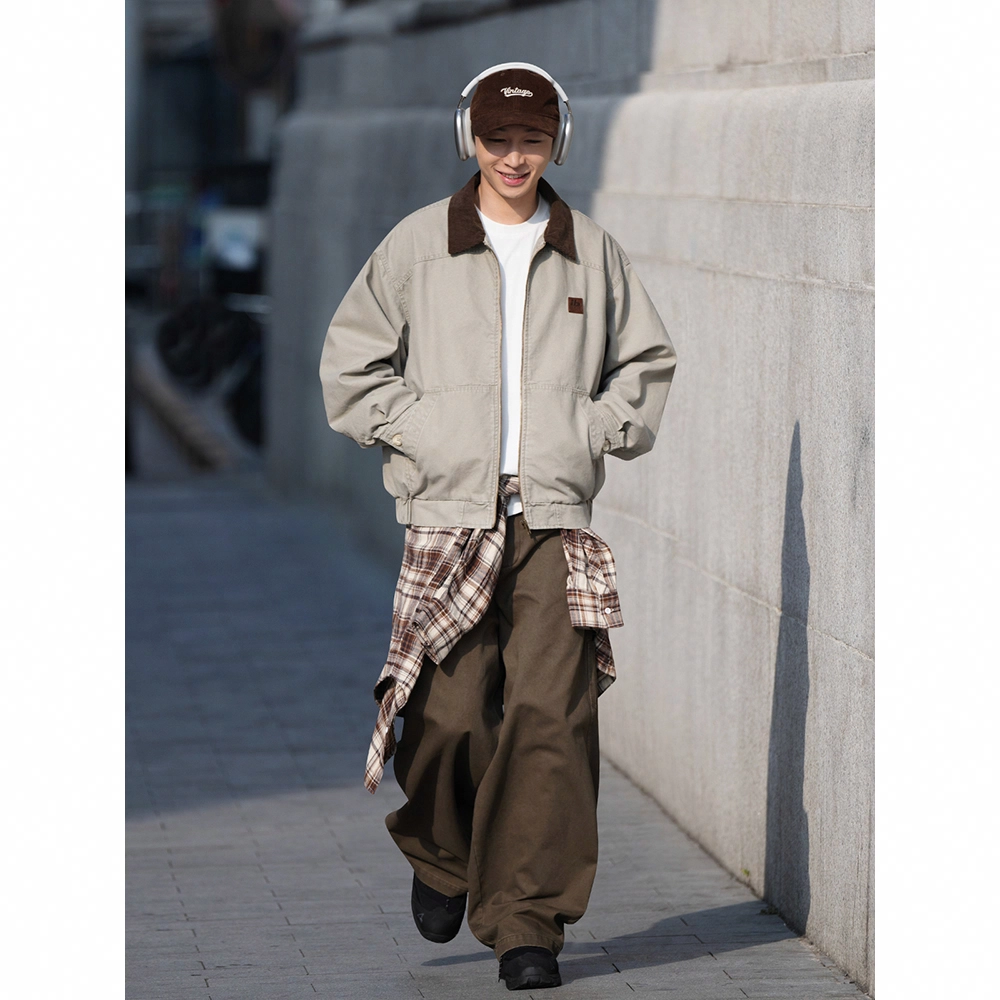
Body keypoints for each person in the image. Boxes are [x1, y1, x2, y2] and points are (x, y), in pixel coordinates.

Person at [319, 62, 676, 991]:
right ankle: (442, 851)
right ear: (468, 138)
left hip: (553, 523)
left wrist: (593, 431)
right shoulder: (417, 246)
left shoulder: (590, 252)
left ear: (559, 140)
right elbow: (350, 368)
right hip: (450, 518)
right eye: (497, 139)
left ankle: (526, 923)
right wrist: (423, 431)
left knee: (552, 718)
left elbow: (644, 364)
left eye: (532, 139)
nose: (515, 157)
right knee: (449, 716)